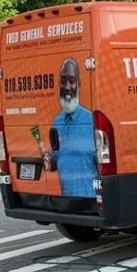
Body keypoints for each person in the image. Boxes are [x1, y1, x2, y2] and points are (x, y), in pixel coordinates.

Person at [50, 58, 97, 197]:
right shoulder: (56, 122)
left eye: (72, 81)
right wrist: (48, 160)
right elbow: (55, 160)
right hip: (68, 205)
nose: (67, 87)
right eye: (63, 81)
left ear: (79, 85)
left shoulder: (92, 121)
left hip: (91, 205)